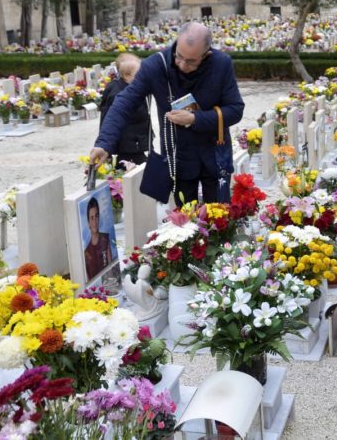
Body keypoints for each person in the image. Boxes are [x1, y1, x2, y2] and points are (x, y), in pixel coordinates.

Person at [90, 22, 245, 205]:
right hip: (178, 159)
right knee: (185, 220)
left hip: (215, 156)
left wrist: (195, 118)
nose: (182, 65)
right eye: (179, 56)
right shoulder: (156, 65)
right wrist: (105, 143)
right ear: (176, 43)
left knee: (219, 217)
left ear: (206, 54)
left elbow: (235, 109)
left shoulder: (221, 64)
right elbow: (124, 103)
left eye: (191, 61)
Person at [99, 53, 149, 170]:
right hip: (127, 146)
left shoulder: (132, 88)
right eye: (139, 74)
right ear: (127, 75)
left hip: (134, 143)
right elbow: (111, 120)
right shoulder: (118, 94)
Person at [83, 197, 114, 281]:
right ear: (88, 223)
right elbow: (89, 281)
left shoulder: (105, 238)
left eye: (96, 216)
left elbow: (111, 270)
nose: (95, 222)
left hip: (109, 284)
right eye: (92, 218)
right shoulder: (86, 253)